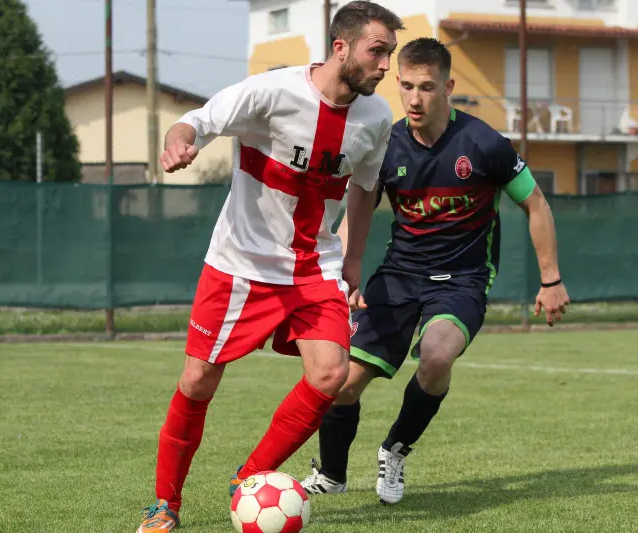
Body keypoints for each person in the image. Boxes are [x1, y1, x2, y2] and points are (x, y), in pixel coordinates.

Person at [135, 2, 405, 531]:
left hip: (314, 268)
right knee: (197, 381)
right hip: (239, 264)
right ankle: (165, 504)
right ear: (341, 47)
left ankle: (252, 478)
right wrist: (179, 144)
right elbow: (192, 123)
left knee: (329, 374)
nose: (385, 67)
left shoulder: (376, 118)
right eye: (378, 52)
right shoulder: (270, 91)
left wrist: (351, 262)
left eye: (390, 55)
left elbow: (366, 188)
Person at [300, 37, 571, 505]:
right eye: (405, 86)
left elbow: (536, 203)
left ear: (448, 87)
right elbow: (361, 204)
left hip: (462, 279)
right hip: (400, 273)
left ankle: (395, 449)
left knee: (437, 356)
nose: (413, 98)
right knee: (340, 382)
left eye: (425, 87)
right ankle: (332, 474)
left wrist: (551, 279)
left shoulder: (485, 144)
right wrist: (348, 271)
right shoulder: (385, 144)